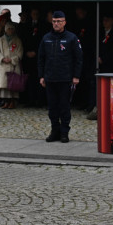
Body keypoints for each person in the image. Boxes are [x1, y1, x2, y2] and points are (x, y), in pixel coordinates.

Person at [38, 10, 83, 143]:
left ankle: (64, 132)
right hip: (50, 78)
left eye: (59, 21)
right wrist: (41, 76)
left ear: (64, 22)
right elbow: (41, 59)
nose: (56, 24)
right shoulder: (46, 38)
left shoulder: (71, 38)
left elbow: (78, 58)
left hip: (65, 78)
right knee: (52, 107)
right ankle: (54, 130)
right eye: (54, 21)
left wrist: (76, 76)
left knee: (64, 106)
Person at [0, 21, 23, 109]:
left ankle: (13, 102)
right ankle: (6, 101)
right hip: (3, 65)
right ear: (5, 30)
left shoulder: (17, 40)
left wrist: (12, 59)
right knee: (5, 85)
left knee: (13, 84)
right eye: (8, 29)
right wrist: (2, 58)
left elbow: (20, 52)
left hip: (13, 65)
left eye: (12, 29)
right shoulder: (0, 40)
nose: (10, 30)